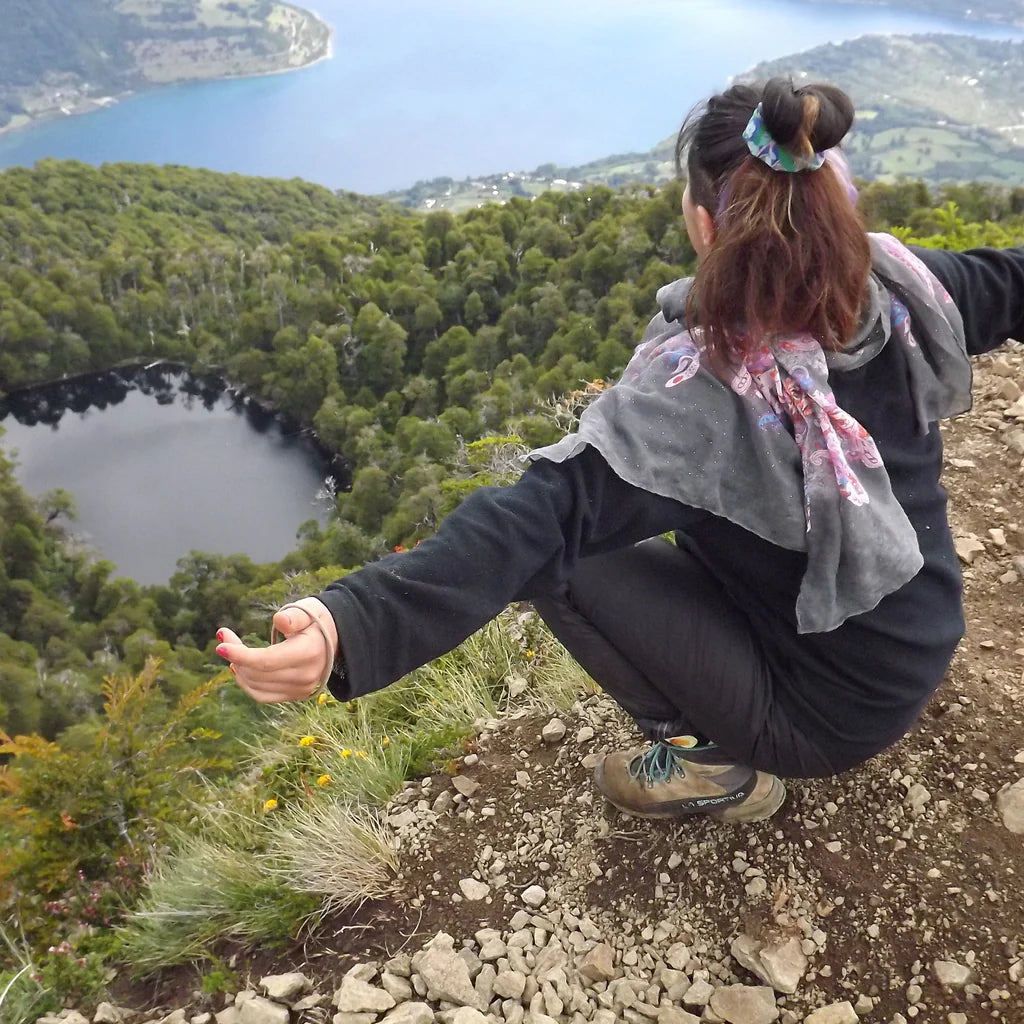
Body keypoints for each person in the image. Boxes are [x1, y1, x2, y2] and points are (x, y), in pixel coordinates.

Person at [216, 78, 1024, 824]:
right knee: (613, 520)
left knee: (561, 556)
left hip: (823, 713)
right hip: (916, 639)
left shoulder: (703, 397)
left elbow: (533, 518)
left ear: (704, 222)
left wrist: (346, 623)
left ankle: (713, 766)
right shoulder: (903, 289)